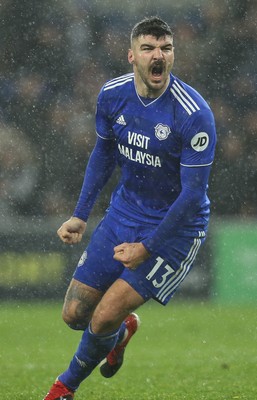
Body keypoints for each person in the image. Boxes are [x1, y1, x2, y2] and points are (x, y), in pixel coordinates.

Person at [43, 16, 216, 400]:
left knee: (104, 315)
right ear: (132, 55)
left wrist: (147, 247)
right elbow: (103, 152)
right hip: (124, 213)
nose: (159, 56)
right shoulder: (112, 95)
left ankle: (62, 389)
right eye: (149, 48)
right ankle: (120, 335)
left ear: (173, 55)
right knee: (75, 316)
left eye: (166, 48)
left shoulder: (193, 114)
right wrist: (80, 214)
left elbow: (191, 196)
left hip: (175, 229)